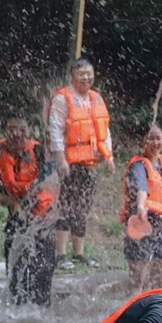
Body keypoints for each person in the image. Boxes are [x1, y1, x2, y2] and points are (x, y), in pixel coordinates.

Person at [48, 58, 115, 270]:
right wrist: (61, 159)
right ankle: (60, 254)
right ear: (72, 77)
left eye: (89, 73)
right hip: (70, 162)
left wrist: (109, 157)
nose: (86, 77)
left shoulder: (96, 98)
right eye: (81, 74)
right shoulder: (63, 99)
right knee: (65, 206)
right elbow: (56, 129)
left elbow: (105, 131)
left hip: (91, 163)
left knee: (82, 208)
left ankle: (79, 253)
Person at [0, 117, 58, 306]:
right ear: (5, 133)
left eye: (23, 129)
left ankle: (42, 313)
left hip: (43, 219)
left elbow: (54, 183)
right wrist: (11, 202)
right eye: (13, 129)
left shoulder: (39, 151)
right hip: (17, 219)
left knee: (44, 270)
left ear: (29, 132)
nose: (19, 134)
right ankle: (17, 311)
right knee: (15, 274)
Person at [120, 125, 162, 296]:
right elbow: (141, 189)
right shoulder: (138, 165)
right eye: (151, 138)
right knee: (138, 278)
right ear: (143, 141)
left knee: (160, 277)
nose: (155, 142)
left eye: (158, 138)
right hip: (141, 224)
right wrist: (140, 207)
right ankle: (133, 316)